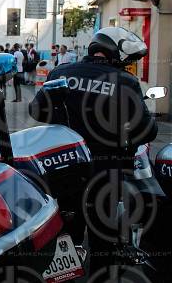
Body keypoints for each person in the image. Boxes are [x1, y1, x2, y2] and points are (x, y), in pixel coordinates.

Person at [29, 27, 157, 275]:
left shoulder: (60, 72)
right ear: (115, 54)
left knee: (65, 235)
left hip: (63, 170)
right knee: (103, 241)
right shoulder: (124, 81)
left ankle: (62, 275)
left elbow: (37, 112)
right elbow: (147, 131)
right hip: (105, 174)